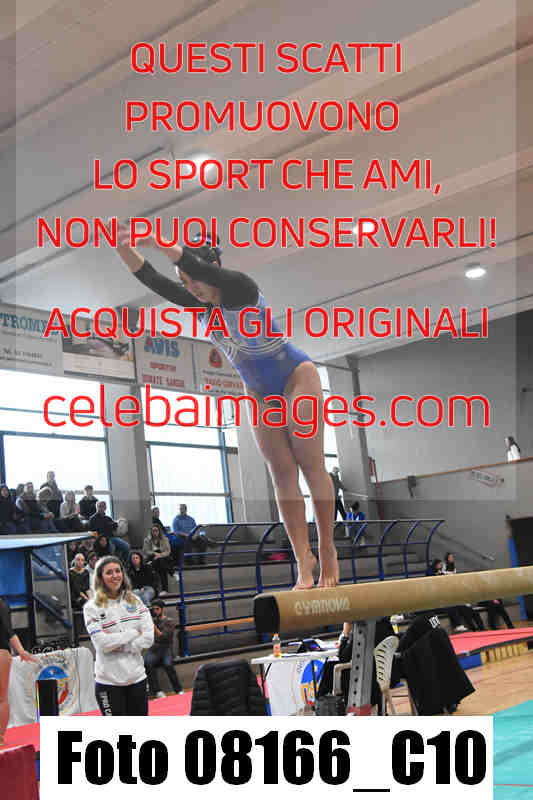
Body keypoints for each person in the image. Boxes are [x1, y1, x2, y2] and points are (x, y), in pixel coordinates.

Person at [109, 223, 338, 589]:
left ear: (213, 268)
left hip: (296, 376)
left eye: (194, 279)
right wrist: (121, 247)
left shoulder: (241, 288)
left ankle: (327, 548)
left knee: (310, 465)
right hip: (259, 390)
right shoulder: (198, 304)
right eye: (185, 283)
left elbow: (197, 268)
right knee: (281, 473)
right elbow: (152, 279)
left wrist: (158, 241)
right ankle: (302, 559)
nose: (191, 288)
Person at [83, 556, 154, 716]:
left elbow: (148, 638)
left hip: (137, 678)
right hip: (108, 682)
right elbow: (102, 644)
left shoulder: (136, 601)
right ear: (100, 577)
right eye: (109, 572)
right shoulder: (91, 607)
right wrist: (134, 633)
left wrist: (120, 645)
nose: (115, 575)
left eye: (117, 571)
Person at [1, 596, 38, 745]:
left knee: (1, 697)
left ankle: (0, 737)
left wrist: (21, 650)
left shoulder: (1, 605)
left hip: (1, 651)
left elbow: (8, 631)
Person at [144, 600, 183, 698]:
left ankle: (178, 689)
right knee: (147, 663)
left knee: (168, 665)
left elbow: (163, 637)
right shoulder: (152, 621)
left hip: (166, 648)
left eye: (157, 609)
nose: (155, 611)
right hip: (154, 648)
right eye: (153, 609)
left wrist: (153, 626)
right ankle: (157, 691)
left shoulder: (169, 621)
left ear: (162, 609)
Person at [69, 553, 91, 646]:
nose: (80, 562)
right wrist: (87, 599)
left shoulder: (86, 572)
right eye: (78, 560)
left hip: (83, 596)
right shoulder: (70, 573)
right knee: (85, 603)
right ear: (74, 561)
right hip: (74, 597)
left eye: (82, 560)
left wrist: (91, 599)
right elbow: (77, 589)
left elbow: (87, 588)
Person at [143, 525, 172, 593]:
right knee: (161, 565)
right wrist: (155, 553)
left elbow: (168, 551)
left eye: (156, 530)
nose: (155, 532)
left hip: (163, 558)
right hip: (152, 557)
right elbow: (146, 551)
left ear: (159, 531)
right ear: (151, 531)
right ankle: (171, 573)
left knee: (161, 564)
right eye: (153, 530)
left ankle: (163, 589)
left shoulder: (165, 539)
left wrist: (160, 555)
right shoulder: (147, 540)